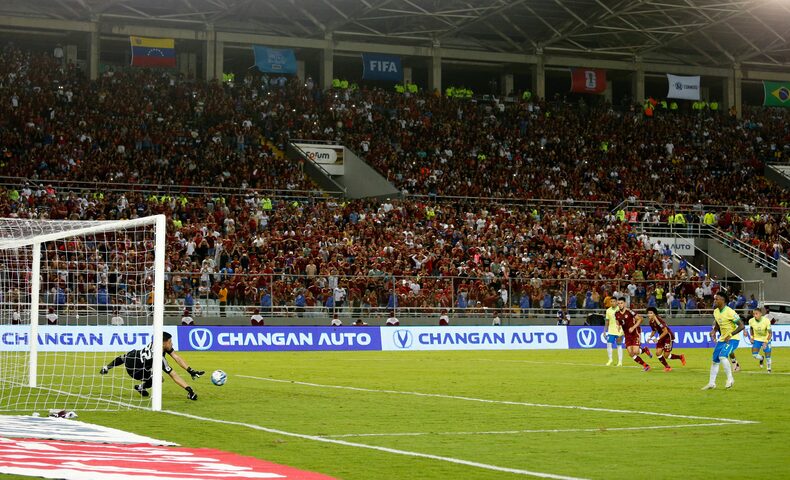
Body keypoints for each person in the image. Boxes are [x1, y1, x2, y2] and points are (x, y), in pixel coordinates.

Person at [99, 332, 203, 400]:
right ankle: (140, 386)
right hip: (135, 370)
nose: (171, 343)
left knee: (125, 357)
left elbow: (176, 357)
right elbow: (174, 375)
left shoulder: (157, 343)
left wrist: (190, 370)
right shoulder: (158, 357)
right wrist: (189, 390)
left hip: (136, 358)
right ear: (163, 343)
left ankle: (139, 387)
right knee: (158, 378)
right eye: (170, 342)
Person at [702, 292, 745, 390]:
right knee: (714, 361)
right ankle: (711, 383)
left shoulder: (730, 312)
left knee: (722, 356)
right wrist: (714, 330)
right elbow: (718, 323)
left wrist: (731, 335)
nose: (715, 301)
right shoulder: (716, 311)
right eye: (715, 299)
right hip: (722, 339)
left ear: (723, 300)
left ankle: (730, 379)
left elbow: (741, 326)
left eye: (717, 299)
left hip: (733, 339)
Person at [615, 297, 652, 371]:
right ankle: (646, 365)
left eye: (621, 303)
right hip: (627, 334)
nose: (620, 305)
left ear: (625, 303)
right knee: (631, 353)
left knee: (635, 351)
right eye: (618, 303)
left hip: (635, 332)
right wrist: (618, 326)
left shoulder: (630, 312)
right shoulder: (617, 313)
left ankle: (644, 350)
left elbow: (640, 319)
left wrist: (633, 327)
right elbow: (618, 321)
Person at [646, 307, 686, 372]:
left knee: (666, 355)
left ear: (654, 314)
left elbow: (665, 331)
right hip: (662, 337)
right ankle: (667, 367)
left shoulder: (659, 320)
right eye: (648, 313)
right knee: (658, 353)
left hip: (668, 336)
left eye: (651, 313)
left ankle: (680, 357)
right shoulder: (650, 322)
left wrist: (657, 338)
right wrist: (649, 337)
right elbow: (654, 330)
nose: (649, 315)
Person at [748, 307, 772, 373]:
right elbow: (751, 329)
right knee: (754, 355)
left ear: (761, 314)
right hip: (757, 339)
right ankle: (761, 358)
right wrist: (752, 337)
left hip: (766, 339)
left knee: (768, 356)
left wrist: (766, 342)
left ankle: (769, 368)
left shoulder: (766, 321)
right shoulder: (751, 321)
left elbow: (770, 333)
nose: (755, 315)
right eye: (754, 314)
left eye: (756, 314)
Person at [604, 299, 624, 366]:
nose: (612, 303)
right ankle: (610, 360)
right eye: (611, 302)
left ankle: (620, 362)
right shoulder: (608, 310)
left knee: (619, 345)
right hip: (611, 331)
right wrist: (604, 331)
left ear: (616, 302)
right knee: (609, 344)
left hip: (619, 331)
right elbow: (607, 321)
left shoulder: (620, 309)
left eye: (614, 301)